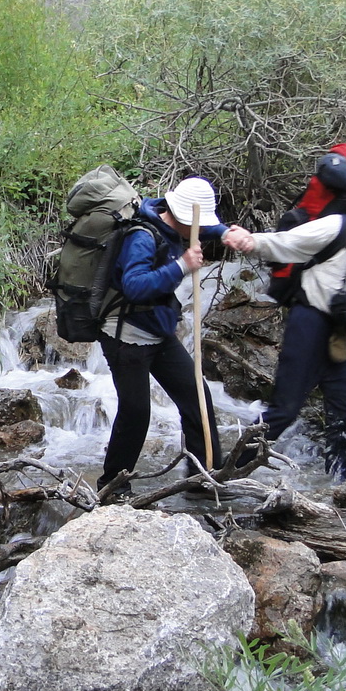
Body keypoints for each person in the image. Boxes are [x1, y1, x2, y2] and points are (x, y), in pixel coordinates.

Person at [222, 185, 346, 480]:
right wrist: (250, 241)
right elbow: (286, 243)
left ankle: (337, 483)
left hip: (342, 331)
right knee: (284, 411)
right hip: (308, 322)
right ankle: (226, 474)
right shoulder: (336, 228)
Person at [97, 176, 227, 492]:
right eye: (198, 224)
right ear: (182, 216)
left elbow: (203, 228)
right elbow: (134, 286)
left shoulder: (175, 226)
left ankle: (204, 480)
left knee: (197, 397)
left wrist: (226, 232)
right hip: (126, 335)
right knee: (137, 412)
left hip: (158, 330)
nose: (201, 230)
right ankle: (112, 488)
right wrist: (182, 265)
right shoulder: (142, 237)